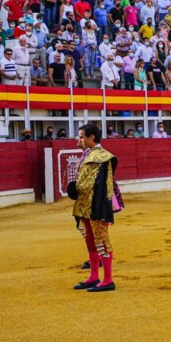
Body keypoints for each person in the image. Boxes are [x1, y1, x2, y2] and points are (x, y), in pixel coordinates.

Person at [67, 123, 122, 293]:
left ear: (92, 137)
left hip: (97, 205)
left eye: (82, 136)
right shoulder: (89, 154)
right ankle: (93, 276)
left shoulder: (103, 156)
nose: (80, 140)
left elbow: (101, 184)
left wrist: (76, 187)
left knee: (102, 241)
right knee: (90, 240)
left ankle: (108, 280)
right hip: (85, 204)